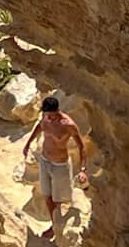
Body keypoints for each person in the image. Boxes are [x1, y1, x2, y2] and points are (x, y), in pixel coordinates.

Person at [24, 95, 88, 238]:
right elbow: (39, 128)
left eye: (52, 116)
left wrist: (83, 170)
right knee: (48, 197)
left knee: (59, 200)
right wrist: (27, 144)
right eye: (47, 115)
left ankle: (60, 226)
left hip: (60, 165)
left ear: (58, 110)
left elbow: (81, 147)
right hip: (45, 161)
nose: (50, 119)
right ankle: (55, 226)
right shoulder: (45, 118)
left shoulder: (68, 125)